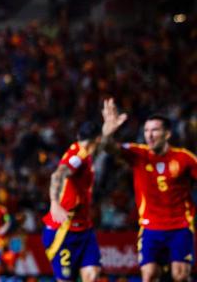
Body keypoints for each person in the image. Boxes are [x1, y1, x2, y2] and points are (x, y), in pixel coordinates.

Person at [101, 98, 196, 282]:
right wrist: (107, 134)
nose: (149, 135)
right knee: (149, 275)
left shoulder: (184, 158)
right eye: (146, 130)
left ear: (167, 134)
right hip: (150, 227)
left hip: (180, 226)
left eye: (155, 130)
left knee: (180, 275)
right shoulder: (138, 155)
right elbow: (108, 148)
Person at [40, 120, 106, 282]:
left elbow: (100, 146)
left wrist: (108, 129)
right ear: (97, 139)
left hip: (84, 228)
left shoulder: (87, 153)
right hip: (63, 229)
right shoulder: (78, 156)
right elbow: (58, 174)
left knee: (93, 274)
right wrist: (54, 203)